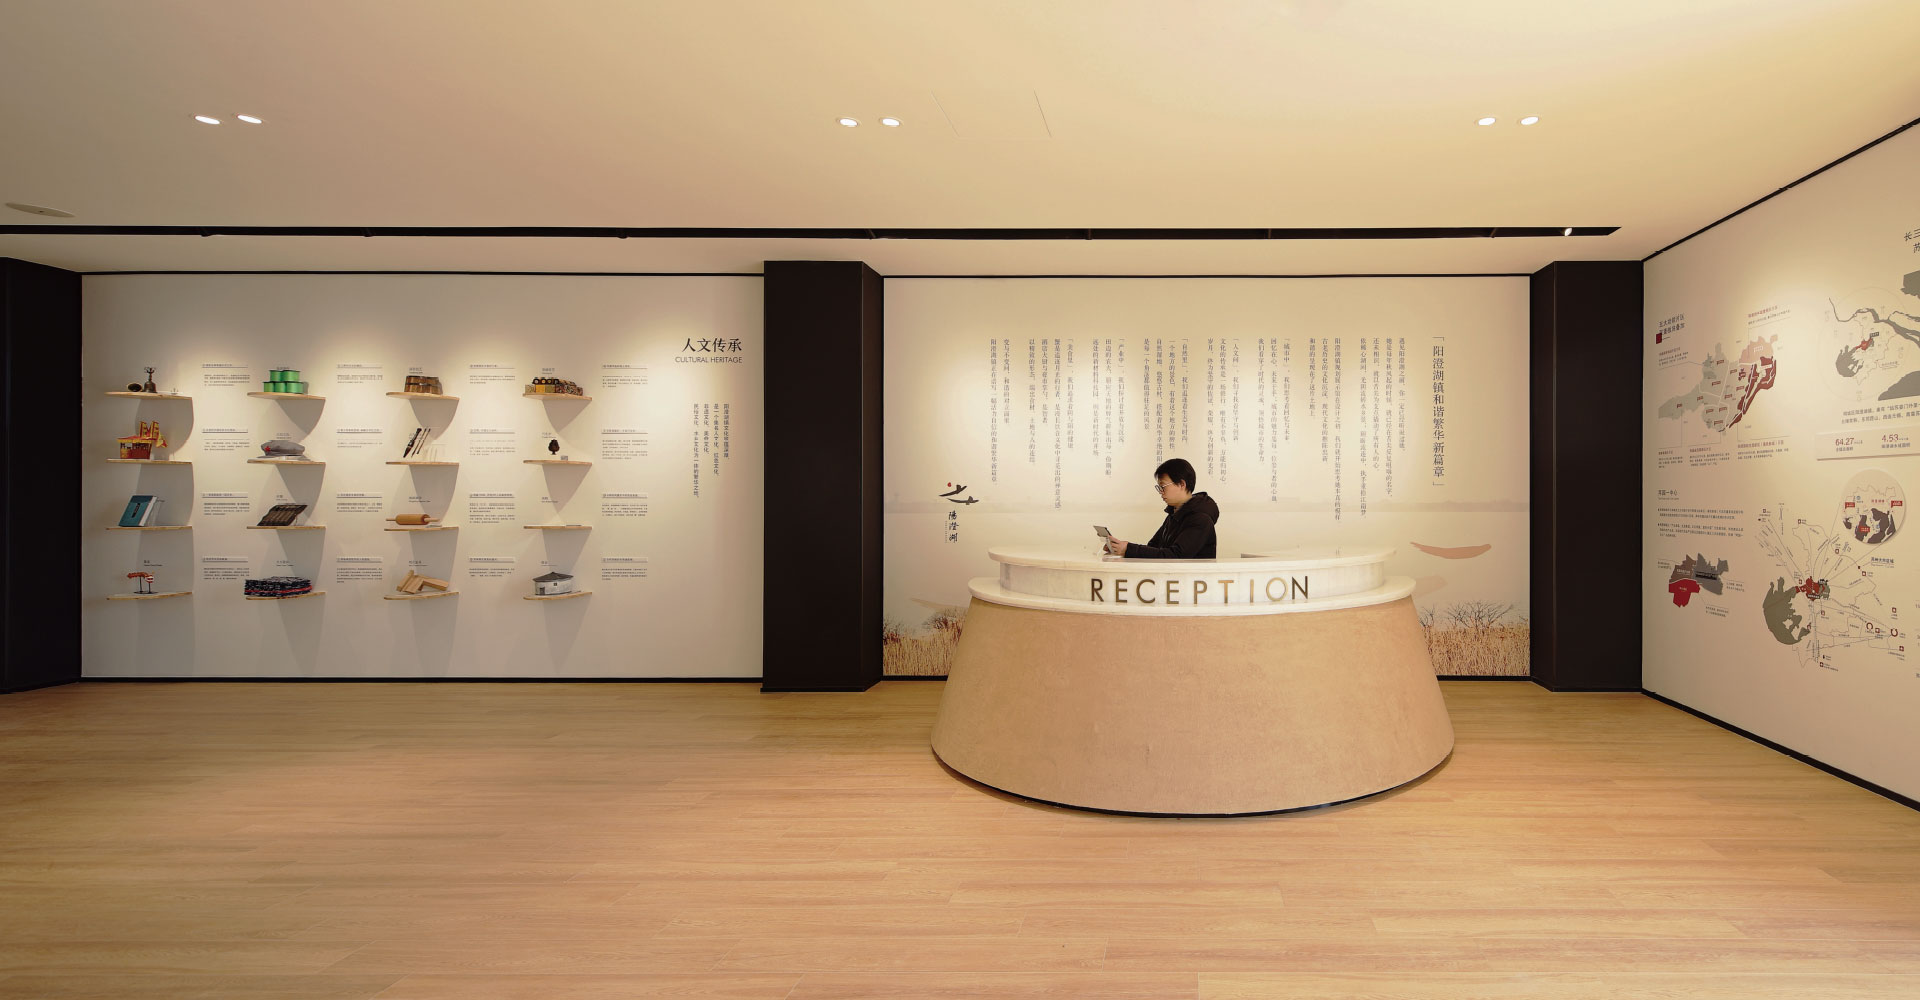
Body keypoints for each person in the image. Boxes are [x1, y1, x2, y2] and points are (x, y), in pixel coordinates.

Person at [1105, 457, 1218, 559]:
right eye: (1159, 487)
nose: (1161, 492)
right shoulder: (1174, 514)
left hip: (1189, 576)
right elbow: (1153, 547)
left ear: (1181, 484)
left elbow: (1176, 556)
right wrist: (1120, 548)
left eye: (1163, 486)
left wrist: (1128, 549)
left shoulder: (1201, 519)